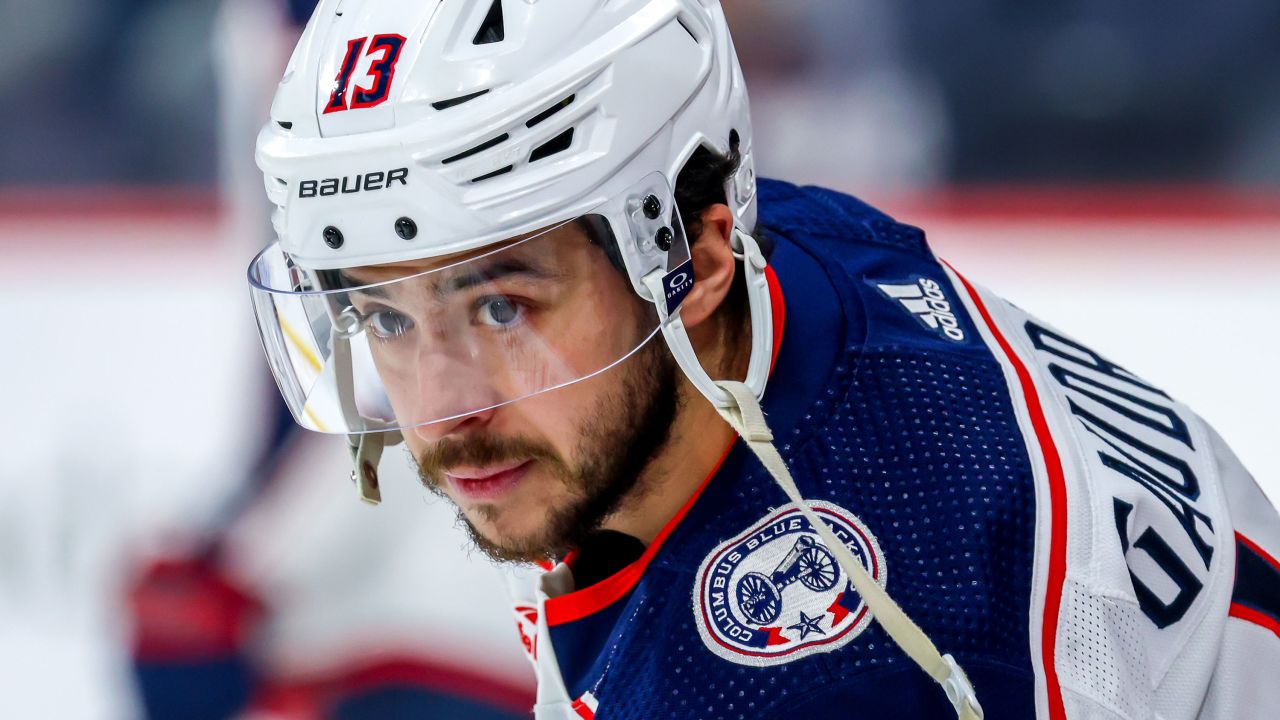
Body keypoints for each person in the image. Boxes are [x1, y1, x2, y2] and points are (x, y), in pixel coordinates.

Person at [244, 1, 1280, 718]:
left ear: (689, 263)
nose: (446, 410)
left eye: (502, 306)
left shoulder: (829, 675)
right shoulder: (781, 251)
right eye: (381, 319)